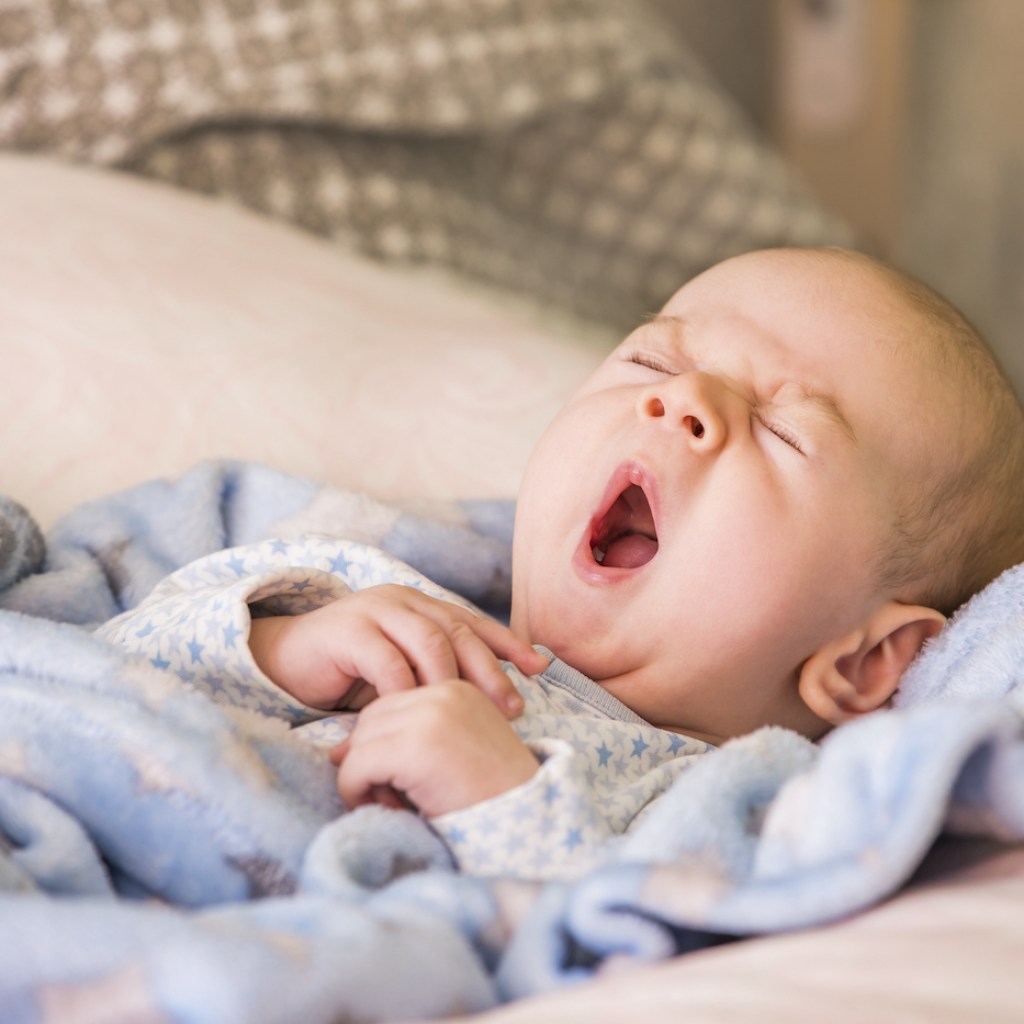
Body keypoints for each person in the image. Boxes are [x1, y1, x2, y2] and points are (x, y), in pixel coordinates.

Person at [98, 246, 1024, 881]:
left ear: (865, 664)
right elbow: (101, 665)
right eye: (654, 360)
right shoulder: (375, 588)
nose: (683, 400)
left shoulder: (724, 800)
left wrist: (498, 802)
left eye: (783, 430)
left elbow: (639, 948)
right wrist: (280, 649)